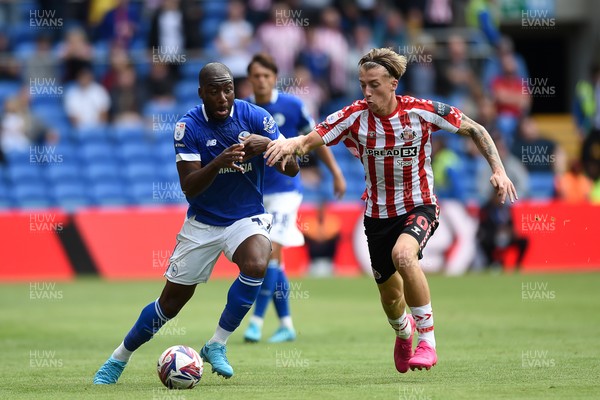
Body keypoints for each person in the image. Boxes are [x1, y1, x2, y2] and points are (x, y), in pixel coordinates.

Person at [265, 48, 517, 373]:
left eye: (374, 84)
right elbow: (311, 139)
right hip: (377, 216)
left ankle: (428, 341)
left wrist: (498, 169)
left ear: (393, 82)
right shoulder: (353, 116)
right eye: (362, 85)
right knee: (390, 299)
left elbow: (475, 129)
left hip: (420, 205)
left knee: (404, 256)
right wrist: (289, 144)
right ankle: (404, 332)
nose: (367, 92)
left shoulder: (421, 111)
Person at [93, 62, 299, 384]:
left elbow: (293, 169)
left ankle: (216, 344)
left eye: (227, 89)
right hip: (203, 223)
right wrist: (218, 162)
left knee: (258, 262)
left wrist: (269, 146)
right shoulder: (187, 127)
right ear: (201, 93)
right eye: (214, 91)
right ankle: (118, 358)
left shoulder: (257, 117)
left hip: (246, 217)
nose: (222, 97)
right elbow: (189, 186)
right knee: (170, 304)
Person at [242, 53, 346, 343]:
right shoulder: (244, 110)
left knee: (269, 255)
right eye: (256, 76)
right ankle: (286, 323)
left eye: (266, 76)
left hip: (286, 192)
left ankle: (256, 322)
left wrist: (336, 171)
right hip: (256, 193)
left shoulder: (292, 105)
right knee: (275, 261)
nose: (261, 81)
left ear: (275, 78)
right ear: (249, 79)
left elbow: (317, 138)